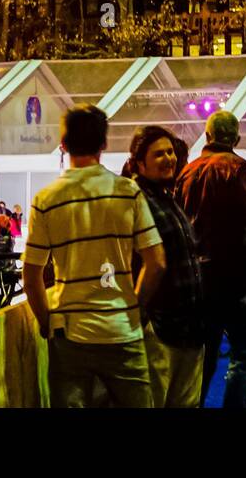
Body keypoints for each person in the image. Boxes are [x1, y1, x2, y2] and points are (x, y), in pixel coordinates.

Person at [22, 105, 164, 408]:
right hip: (121, 328)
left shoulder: (45, 200)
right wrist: (134, 308)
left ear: (63, 144)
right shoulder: (128, 192)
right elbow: (157, 262)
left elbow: (32, 275)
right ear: (104, 144)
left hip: (69, 332)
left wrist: (47, 322)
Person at [174, 109, 246, 409]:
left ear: (207, 136)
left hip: (200, 279)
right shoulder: (238, 168)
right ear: (237, 138)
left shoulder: (187, 172)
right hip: (238, 276)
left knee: (205, 356)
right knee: (244, 357)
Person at [127, 125, 205, 408]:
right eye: (158, 154)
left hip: (189, 330)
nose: (169, 159)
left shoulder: (167, 197)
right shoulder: (136, 200)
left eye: (170, 152)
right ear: (139, 163)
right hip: (161, 331)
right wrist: (142, 316)